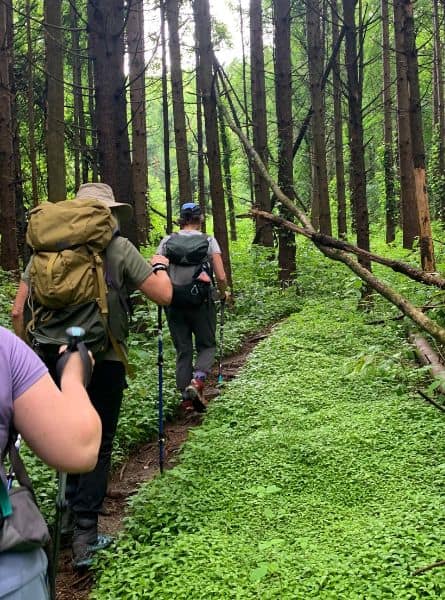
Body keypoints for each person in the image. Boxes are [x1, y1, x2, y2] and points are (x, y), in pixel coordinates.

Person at [11, 183, 172, 568]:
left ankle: (62, 522)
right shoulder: (118, 248)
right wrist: (161, 266)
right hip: (104, 357)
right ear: (107, 213)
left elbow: (18, 312)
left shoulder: (43, 253)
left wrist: (28, 357)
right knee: (97, 442)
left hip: (50, 357)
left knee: (62, 435)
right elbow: (163, 295)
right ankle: (85, 536)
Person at [0, 326, 101, 599]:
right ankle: (83, 527)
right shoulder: (5, 348)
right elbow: (80, 448)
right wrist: (73, 376)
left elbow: (19, 312)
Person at [157, 202, 229, 412]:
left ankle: (186, 400)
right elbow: (221, 275)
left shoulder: (167, 241)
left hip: (174, 303)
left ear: (182, 219)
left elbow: (157, 269)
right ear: (199, 219)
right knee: (207, 345)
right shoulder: (208, 240)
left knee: (183, 350)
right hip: (201, 303)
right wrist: (224, 291)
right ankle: (197, 382)